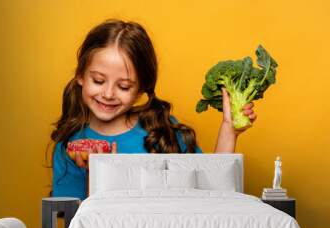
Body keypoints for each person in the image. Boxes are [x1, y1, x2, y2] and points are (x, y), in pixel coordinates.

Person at [47, 19, 256, 200]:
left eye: (124, 86)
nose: (108, 93)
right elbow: (75, 226)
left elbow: (212, 192)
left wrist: (229, 129)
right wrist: (94, 172)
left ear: (141, 89)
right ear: (81, 76)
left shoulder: (163, 131)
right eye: (98, 80)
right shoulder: (69, 148)